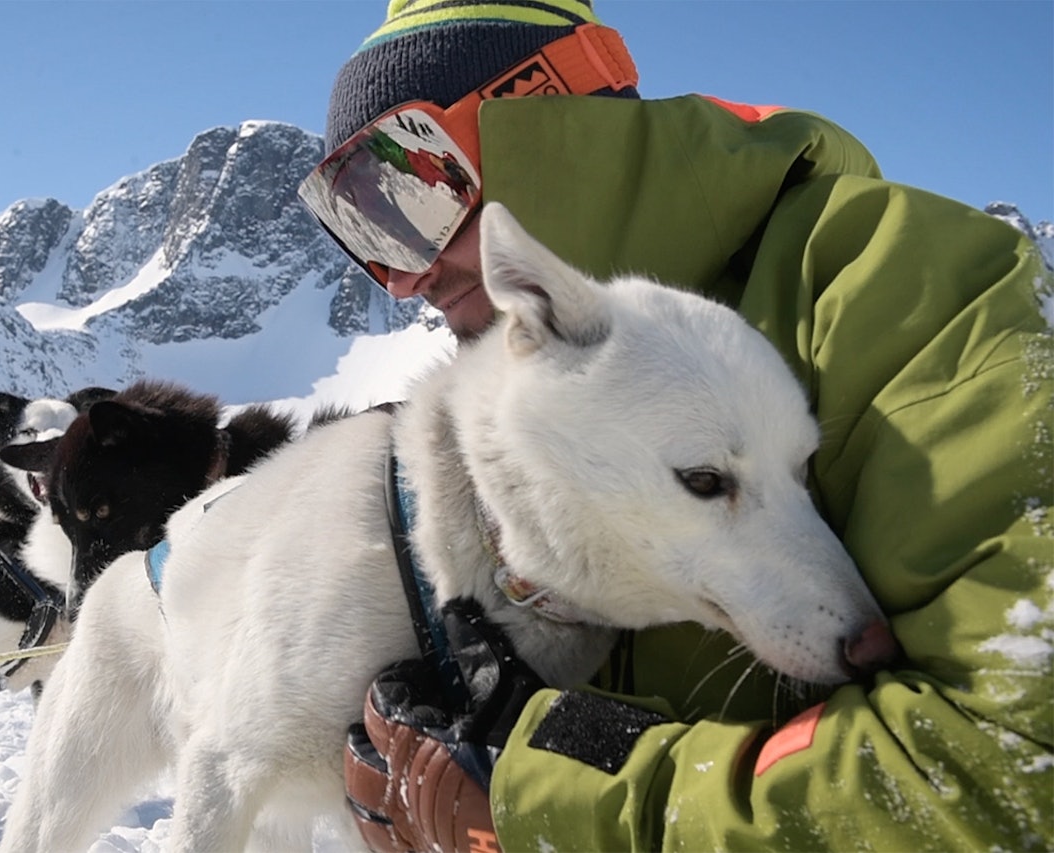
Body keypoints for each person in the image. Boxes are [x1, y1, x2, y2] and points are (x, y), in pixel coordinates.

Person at [298, 1, 1053, 850]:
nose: (408, 276)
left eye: (411, 192)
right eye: (360, 222)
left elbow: (1016, 767)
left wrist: (541, 788)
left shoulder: (916, 291)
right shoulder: (497, 410)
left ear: (552, 115)